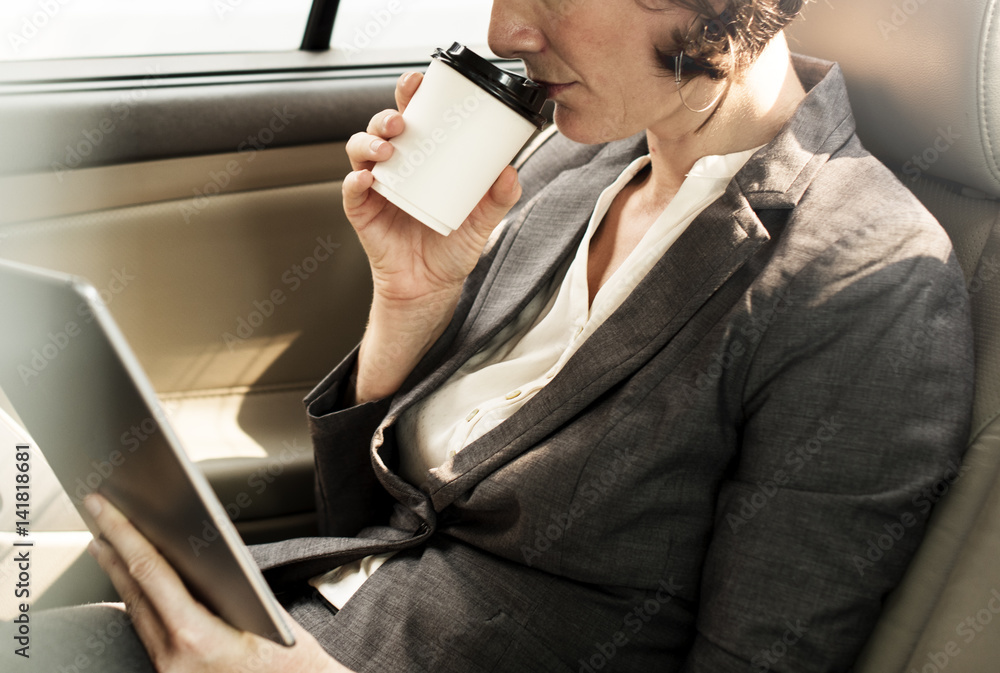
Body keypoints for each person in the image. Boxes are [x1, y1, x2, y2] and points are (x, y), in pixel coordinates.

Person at [12, 0, 974, 671]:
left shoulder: (868, 277)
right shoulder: (573, 161)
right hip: (280, 619)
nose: (503, 30)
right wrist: (410, 299)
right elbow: (381, 521)